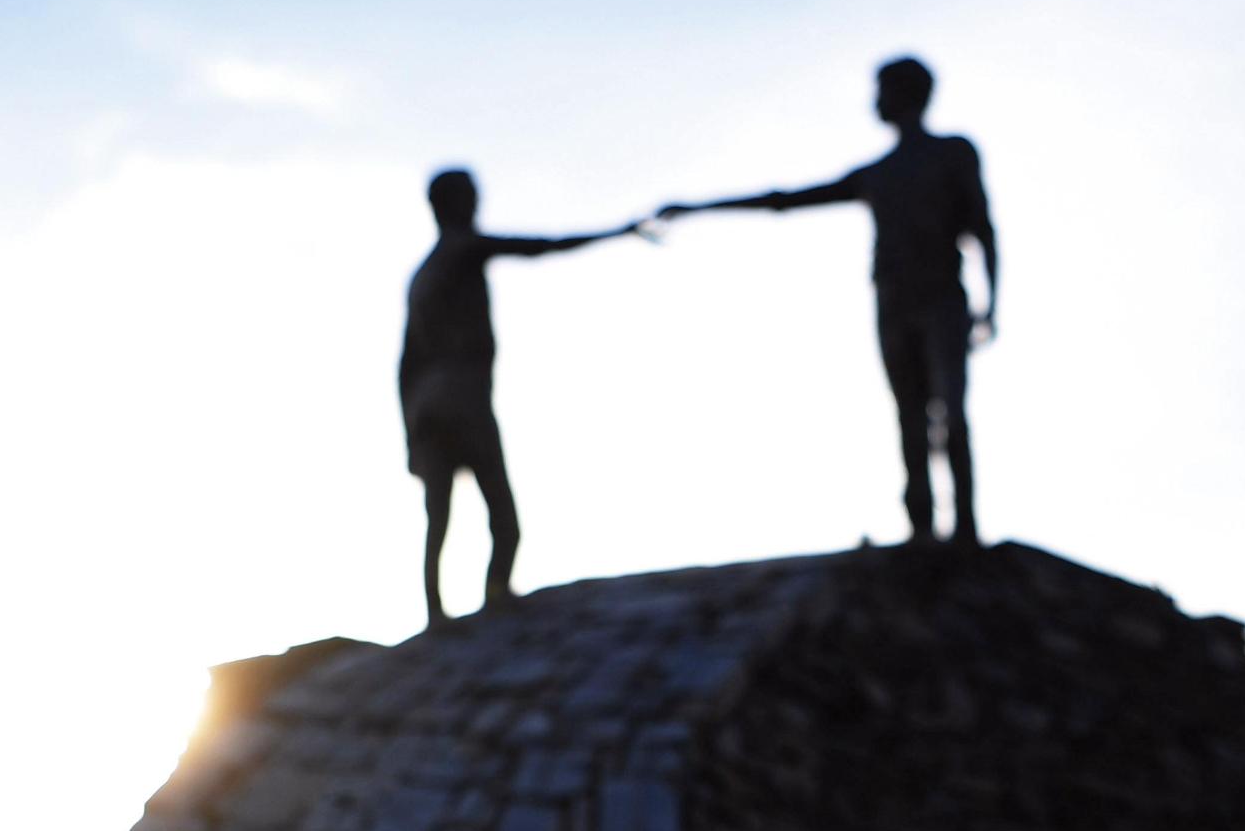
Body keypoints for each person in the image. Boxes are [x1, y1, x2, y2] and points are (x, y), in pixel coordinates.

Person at [663, 56, 997, 547]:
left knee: (948, 410)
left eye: (882, 90)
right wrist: (698, 207)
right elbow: (785, 200)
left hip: (942, 298)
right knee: (909, 412)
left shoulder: (952, 154)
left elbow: (983, 228)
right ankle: (922, 526)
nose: (875, 100)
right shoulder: (877, 174)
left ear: (905, 95)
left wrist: (991, 302)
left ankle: (964, 526)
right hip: (893, 302)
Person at [402, 169, 643, 628]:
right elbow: (541, 247)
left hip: (427, 408)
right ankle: (495, 600)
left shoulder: (421, 277)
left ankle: (436, 613)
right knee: (503, 516)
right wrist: (619, 231)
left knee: (439, 518)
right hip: (462, 398)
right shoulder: (461, 250)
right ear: (454, 204)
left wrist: (409, 434)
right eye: (471, 197)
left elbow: (405, 364)